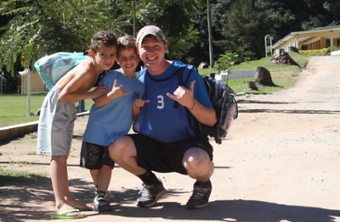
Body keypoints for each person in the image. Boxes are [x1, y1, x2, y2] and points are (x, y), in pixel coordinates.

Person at [108, 25, 217, 209]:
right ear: (138, 51)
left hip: (186, 144)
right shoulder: (138, 80)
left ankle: (203, 185)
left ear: (165, 47)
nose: (151, 52)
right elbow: (133, 119)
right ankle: (152, 184)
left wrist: (191, 103)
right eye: (145, 47)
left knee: (198, 164)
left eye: (156, 46)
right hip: (151, 145)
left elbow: (211, 119)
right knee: (116, 147)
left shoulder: (186, 74)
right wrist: (134, 107)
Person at [37, 30, 117, 219]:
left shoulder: (95, 69)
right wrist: (92, 94)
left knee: (63, 156)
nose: (108, 59)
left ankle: (67, 198)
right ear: (92, 53)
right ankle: (59, 204)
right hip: (58, 106)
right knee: (57, 156)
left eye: (112, 55)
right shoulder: (87, 70)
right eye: (103, 54)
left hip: (65, 108)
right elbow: (63, 94)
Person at [80, 35, 145, 212]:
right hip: (97, 129)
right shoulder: (110, 77)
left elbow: (134, 115)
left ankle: (101, 194)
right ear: (117, 59)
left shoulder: (140, 87)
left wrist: (136, 106)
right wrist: (113, 94)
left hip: (117, 135)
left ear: (138, 58)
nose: (128, 61)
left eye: (132, 57)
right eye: (123, 57)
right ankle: (99, 190)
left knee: (107, 165)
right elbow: (98, 102)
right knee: (93, 165)